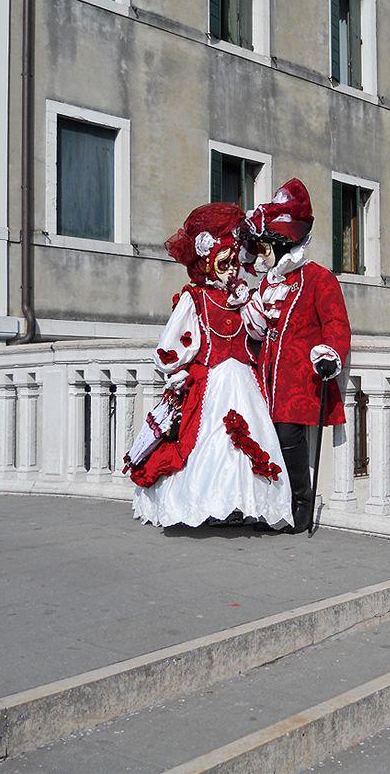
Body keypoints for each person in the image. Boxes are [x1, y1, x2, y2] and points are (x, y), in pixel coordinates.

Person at [126, 202, 293, 530]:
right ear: (208, 263)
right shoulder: (196, 298)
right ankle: (213, 505)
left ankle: (244, 505)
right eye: (224, 263)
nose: (231, 270)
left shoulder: (244, 297)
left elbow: (260, 329)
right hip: (212, 385)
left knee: (247, 445)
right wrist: (179, 371)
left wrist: (245, 298)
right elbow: (169, 346)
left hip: (244, 381)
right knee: (210, 443)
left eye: (234, 263)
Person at [239, 179, 351, 533]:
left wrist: (330, 352)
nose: (264, 254)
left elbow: (336, 323)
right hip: (266, 376)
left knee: (288, 437)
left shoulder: (319, 279)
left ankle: (301, 502)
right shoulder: (269, 283)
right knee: (262, 438)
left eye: (268, 246)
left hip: (297, 379)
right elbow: (258, 330)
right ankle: (267, 504)